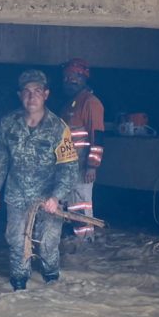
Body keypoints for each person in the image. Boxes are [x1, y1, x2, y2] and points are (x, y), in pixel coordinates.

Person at [0, 69, 78, 290]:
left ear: (46, 94)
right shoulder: (8, 123)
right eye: (27, 91)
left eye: (37, 91)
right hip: (16, 194)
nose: (32, 97)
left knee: (48, 244)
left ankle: (51, 281)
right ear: (20, 95)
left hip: (48, 198)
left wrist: (56, 197)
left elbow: (69, 167)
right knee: (17, 241)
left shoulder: (58, 127)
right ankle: (19, 286)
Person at [60, 58, 105, 242]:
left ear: (83, 78)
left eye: (74, 77)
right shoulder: (70, 104)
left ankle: (86, 245)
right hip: (66, 167)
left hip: (82, 168)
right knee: (67, 206)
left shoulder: (90, 102)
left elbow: (98, 136)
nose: (68, 81)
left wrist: (92, 165)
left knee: (81, 205)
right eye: (66, 77)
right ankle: (73, 249)